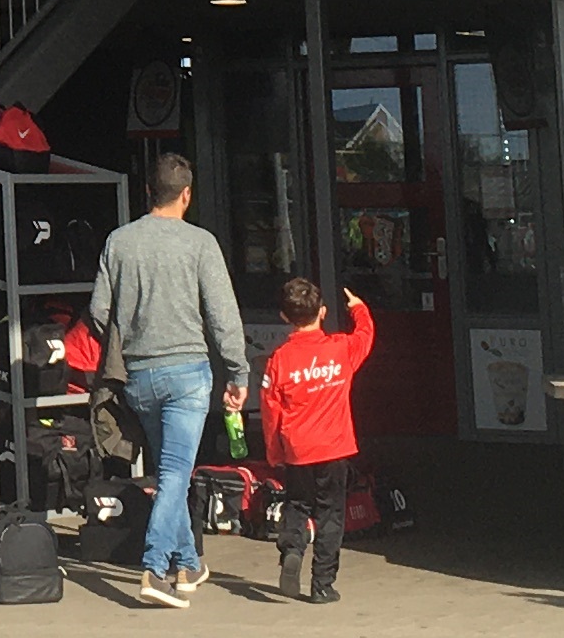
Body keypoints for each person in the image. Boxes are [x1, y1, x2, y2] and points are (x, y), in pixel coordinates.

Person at [85, 153, 245, 606]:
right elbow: (223, 315)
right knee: (176, 473)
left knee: (170, 471)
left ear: (148, 192)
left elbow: (98, 310)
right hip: (188, 374)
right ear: (187, 194)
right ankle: (154, 570)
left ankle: (188, 563)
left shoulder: (119, 242)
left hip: (138, 375)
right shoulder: (201, 243)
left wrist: (126, 341)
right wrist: (238, 370)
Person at [252, 274, 375, 604]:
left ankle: (292, 550)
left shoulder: (279, 359)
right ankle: (322, 584)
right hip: (335, 448)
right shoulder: (341, 349)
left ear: (284, 317)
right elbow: (365, 335)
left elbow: (270, 411)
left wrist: (274, 451)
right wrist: (359, 308)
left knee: (297, 503)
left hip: (297, 449)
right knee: (330, 514)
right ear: (322, 311)